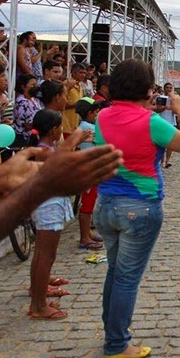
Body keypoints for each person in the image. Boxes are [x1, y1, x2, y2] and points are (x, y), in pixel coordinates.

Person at [93, 58, 180, 358]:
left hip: (106, 204)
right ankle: (117, 343)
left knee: (114, 273)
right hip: (140, 208)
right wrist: (179, 111)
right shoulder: (151, 122)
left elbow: (126, 120)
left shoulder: (103, 117)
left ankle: (112, 333)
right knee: (127, 279)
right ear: (149, 89)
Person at [28, 109, 74, 320]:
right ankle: (38, 305)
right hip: (49, 206)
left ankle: (38, 293)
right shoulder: (45, 151)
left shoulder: (46, 147)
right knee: (46, 255)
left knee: (42, 254)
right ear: (55, 129)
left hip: (48, 203)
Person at [75, 97, 104, 250]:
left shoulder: (84, 126)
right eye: (96, 111)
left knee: (90, 202)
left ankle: (87, 233)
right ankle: (84, 237)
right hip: (90, 170)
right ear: (91, 113)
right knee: (87, 204)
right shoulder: (88, 128)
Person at [12, 73, 42, 147]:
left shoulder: (35, 100)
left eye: (36, 85)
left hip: (34, 137)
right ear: (23, 86)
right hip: (23, 139)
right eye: (33, 85)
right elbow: (26, 124)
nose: (36, 87)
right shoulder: (21, 102)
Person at [153, 82, 177, 168]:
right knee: (161, 143)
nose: (169, 89)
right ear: (164, 88)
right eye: (167, 87)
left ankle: (168, 160)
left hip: (171, 122)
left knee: (170, 143)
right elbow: (157, 109)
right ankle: (162, 161)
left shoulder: (174, 99)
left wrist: (172, 105)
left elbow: (176, 111)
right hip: (162, 121)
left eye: (170, 88)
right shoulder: (160, 97)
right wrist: (163, 107)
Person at [61, 63, 86, 139]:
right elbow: (61, 104)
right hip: (65, 125)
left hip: (75, 125)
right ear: (74, 72)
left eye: (84, 73)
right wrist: (79, 103)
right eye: (81, 72)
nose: (83, 75)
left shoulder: (80, 86)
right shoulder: (66, 85)